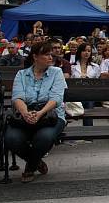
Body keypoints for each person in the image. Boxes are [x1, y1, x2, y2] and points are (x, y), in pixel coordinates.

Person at [5, 41, 67, 183]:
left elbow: (56, 98)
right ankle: (36, 161)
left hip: (50, 115)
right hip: (26, 114)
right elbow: (17, 97)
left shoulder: (56, 73)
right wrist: (26, 113)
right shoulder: (22, 74)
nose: (51, 57)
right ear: (35, 57)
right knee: (11, 139)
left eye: (51, 54)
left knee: (44, 138)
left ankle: (30, 167)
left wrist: (40, 113)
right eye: (46, 54)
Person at [71, 43, 101, 127]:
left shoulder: (95, 67)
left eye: (89, 51)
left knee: (89, 100)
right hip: (76, 93)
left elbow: (98, 82)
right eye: (84, 50)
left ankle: (88, 134)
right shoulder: (72, 67)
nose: (87, 53)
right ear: (79, 52)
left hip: (90, 93)